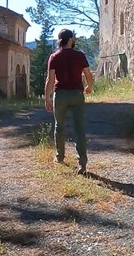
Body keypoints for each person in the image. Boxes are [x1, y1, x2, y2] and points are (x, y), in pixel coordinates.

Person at [44, 28, 94, 175]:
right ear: (70, 39)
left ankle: (59, 157)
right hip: (77, 95)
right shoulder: (80, 56)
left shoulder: (54, 57)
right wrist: (89, 87)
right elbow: (88, 75)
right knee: (79, 129)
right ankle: (82, 164)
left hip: (60, 95)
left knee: (59, 126)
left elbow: (50, 80)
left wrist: (47, 97)